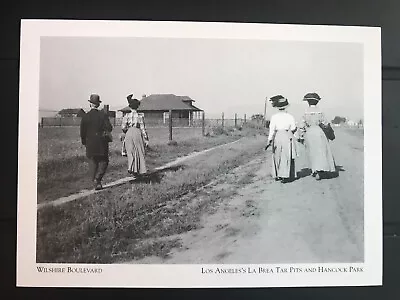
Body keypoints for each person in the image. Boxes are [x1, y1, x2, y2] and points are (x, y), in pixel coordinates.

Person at [298, 92, 336, 180]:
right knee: (321, 151)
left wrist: (301, 136)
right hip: (319, 132)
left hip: (309, 132)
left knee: (312, 152)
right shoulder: (320, 111)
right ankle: (321, 169)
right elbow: (325, 123)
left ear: (308, 102)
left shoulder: (305, 112)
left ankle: (315, 170)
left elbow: (301, 125)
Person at [80, 94, 113, 190]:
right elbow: (109, 128)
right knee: (104, 161)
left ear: (90, 104)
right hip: (102, 142)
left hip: (90, 142)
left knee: (92, 161)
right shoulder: (103, 115)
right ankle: (97, 179)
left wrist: (84, 142)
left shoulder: (86, 116)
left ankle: (94, 181)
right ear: (98, 104)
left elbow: (82, 131)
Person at [267, 95, 299, 183]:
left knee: (277, 155)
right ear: (285, 106)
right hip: (286, 135)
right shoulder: (290, 117)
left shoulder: (274, 117)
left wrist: (269, 140)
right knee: (286, 155)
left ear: (277, 107)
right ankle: (285, 174)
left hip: (277, 136)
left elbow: (271, 130)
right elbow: (293, 128)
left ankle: (278, 174)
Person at [121, 94, 149, 177]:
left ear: (130, 107)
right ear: (137, 107)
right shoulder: (140, 116)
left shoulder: (126, 116)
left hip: (129, 133)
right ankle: (140, 170)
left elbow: (123, 127)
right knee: (139, 151)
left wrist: (126, 130)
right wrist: (146, 138)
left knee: (131, 152)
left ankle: (132, 168)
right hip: (137, 133)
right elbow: (143, 128)